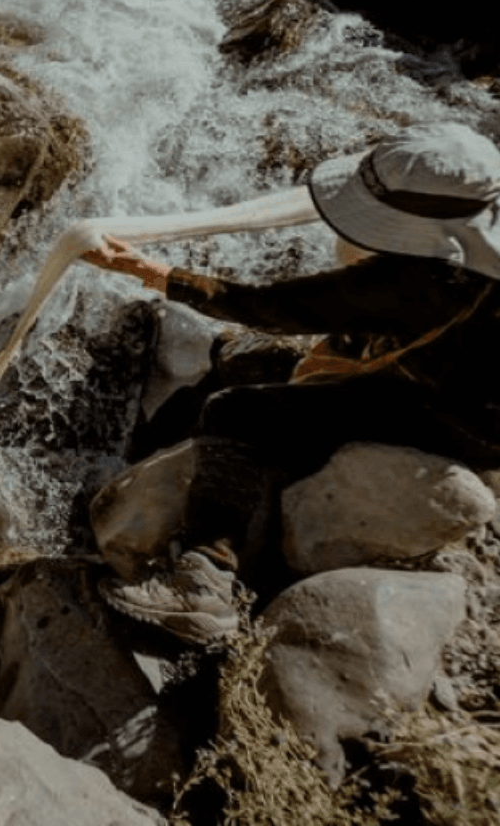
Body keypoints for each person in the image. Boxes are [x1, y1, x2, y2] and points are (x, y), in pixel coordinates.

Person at [81, 121, 500, 642]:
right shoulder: (473, 251)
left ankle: (204, 581)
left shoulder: (409, 280)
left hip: (459, 416)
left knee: (237, 410)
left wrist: (155, 273)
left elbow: (272, 307)